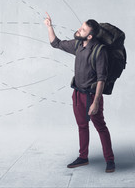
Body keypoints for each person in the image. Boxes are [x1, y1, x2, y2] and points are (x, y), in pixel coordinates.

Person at [44, 12, 115, 173]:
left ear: (89, 36)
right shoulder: (78, 45)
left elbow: (102, 78)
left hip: (92, 96)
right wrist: (49, 26)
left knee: (100, 127)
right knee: (82, 126)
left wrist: (96, 101)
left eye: (82, 30)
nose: (78, 30)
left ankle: (110, 160)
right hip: (77, 94)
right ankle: (83, 157)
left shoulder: (99, 51)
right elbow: (56, 43)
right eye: (81, 27)